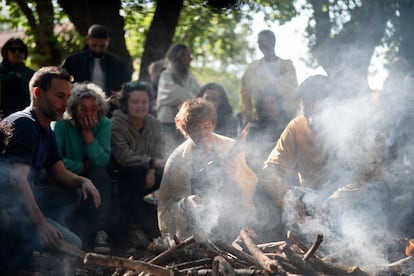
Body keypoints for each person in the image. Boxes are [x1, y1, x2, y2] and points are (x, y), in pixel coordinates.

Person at [0, 66, 101, 267]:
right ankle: (26, 244)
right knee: (72, 244)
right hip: (9, 208)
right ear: (37, 93)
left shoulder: (46, 129)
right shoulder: (25, 125)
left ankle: (38, 241)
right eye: (59, 96)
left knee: (76, 191)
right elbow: (17, 179)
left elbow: (60, 173)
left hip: (25, 201)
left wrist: (84, 181)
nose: (65, 103)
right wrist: (41, 224)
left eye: (68, 97)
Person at [157, 98, 257, 242]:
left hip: (231, 221)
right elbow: (165, 208)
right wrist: (186, 203)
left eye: (206, 127)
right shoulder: (177, 161)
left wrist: (236, 175)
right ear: (185, 131)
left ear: (213, 125)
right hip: (194, 228)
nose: (202, 134)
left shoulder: (229, 147)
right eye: (195, 129)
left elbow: (250, 183)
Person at [51, 82, 112, 253]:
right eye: (83, 108)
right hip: (64, 175)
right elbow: (55, 159)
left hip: (94, 174)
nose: (89, 113)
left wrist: (88, 134)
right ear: (73, 109)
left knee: (100, 175)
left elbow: (102, 160)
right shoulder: (61, 126)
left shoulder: (104, 124)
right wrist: (80, 166)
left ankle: (100, 230)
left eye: (93, 108)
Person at [110, 81, 165, 247]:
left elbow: (158, 151)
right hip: (123, 172)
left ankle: (164, 224)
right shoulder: (116, 123)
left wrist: (152, 169)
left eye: (144, 102)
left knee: (169, 172)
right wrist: (151, 164)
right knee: (135, 172)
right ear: (126, 103)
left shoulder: (153, 123)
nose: (140, 106)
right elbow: (124, 156)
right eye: (135, 102)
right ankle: (134, 228)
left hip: (149, 169)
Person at [61, 24, 132, 116]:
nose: (98, 49)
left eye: (102, 46)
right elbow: (61, 80)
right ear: (88, 40)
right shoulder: (74, 60)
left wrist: (121, 94)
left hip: (110, 109)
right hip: (80, 109)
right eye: (94, 45)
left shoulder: (118, 63)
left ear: (108, 42)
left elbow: (128, 85)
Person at [239, 29, 298, 124]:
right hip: (260, 118)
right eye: (259, 42)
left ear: (273, 41)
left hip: (285, 117)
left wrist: (294, 113)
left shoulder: (287, 67)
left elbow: (294, 90)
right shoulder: (252, 68)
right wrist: (246, 115)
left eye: (264, 41)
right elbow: (244, 93)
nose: (262, 44)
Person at [156, 43, 200, 156]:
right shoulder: (166, 75)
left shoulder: (190, 79)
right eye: (187, 55)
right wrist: (190, 98)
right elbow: (174, 94)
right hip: (167, 123)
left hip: (187, 123)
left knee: (184, 155)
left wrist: (190, 98)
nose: (190, 58)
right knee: (168, 154)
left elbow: (198, 97)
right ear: (178, 57)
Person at [244, 85, 291, 173]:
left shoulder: (288, 125)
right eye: (266, 103)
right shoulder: (254, 127)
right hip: (260, 170)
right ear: (261, 107)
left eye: (272, 102)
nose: (270, 106)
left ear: (278, 104)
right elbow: (248, 152)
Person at [0, 37, 35, 117]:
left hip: (24, 116)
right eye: (13, 50)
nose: (17, 53)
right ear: (6, 52)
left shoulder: (31, 74)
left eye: (21, 50)